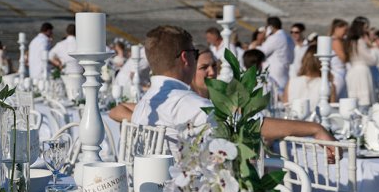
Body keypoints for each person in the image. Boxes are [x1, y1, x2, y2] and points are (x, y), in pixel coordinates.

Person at [131, 25, 337, 160]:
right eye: (195, 54)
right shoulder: (185, 102)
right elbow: (253, 126)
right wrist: (315, 128)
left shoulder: (146, 102)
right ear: (185, 58)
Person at [283, 45, 336, 113]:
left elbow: (285, 110)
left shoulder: (291, 83)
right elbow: (331, 114)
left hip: (293, 122)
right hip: (316, 123)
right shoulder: (328, 86)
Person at [346, 16, 378, 107]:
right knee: (363, 102)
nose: (367, 30)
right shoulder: (359, 42)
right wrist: (372, 46)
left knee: (355, 101)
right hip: (361, 73)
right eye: (366, 27)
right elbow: (372, 60)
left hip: (353, 72)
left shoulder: (349, 41)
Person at [257, 17, 294, 93]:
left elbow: (260, 53)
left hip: (274, 73)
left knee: (274, 97)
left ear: (270, 27)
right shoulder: (288, 38)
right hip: (285, 70)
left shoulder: (275, 37)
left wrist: (263, 38)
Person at [330, 19, 349, 98]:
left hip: (339, 72)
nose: (345, 33)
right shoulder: (336, 41)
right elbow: (343, 58)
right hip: (338, 72)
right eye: (344, 30)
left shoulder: (338, 40)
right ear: (337, 28)